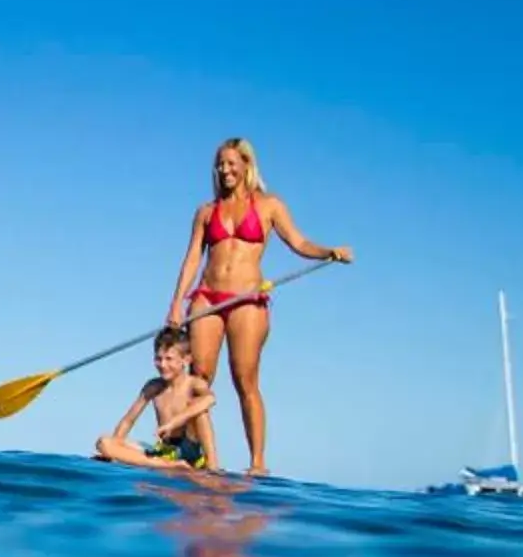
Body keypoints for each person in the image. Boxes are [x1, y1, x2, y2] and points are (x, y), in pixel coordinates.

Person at [163, 137, 352, 475]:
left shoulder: (268, 205)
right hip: (207, 296)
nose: (224, 169)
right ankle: (192, 452)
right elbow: (192, 258)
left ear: (247, 165)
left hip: (246, 300)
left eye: (231, 163)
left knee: (244, 379)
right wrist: (176, 303)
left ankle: (257, 464)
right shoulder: (206, 212)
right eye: (220, 164)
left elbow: (298, 242)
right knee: (198, 377)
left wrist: (328, 252)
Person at [95, 327, 217, 471]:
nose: (163, 365)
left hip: (190, 450)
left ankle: (212, 466)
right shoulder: (154, 386)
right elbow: (128, 420)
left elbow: (210, 399)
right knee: (103, 442)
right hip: (165, 452)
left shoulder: (193, 384)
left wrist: (173, 422)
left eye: (169, 359)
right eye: (158, 359)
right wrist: (115, 447)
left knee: (200, 408)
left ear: (186, 359)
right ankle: (164, 465)